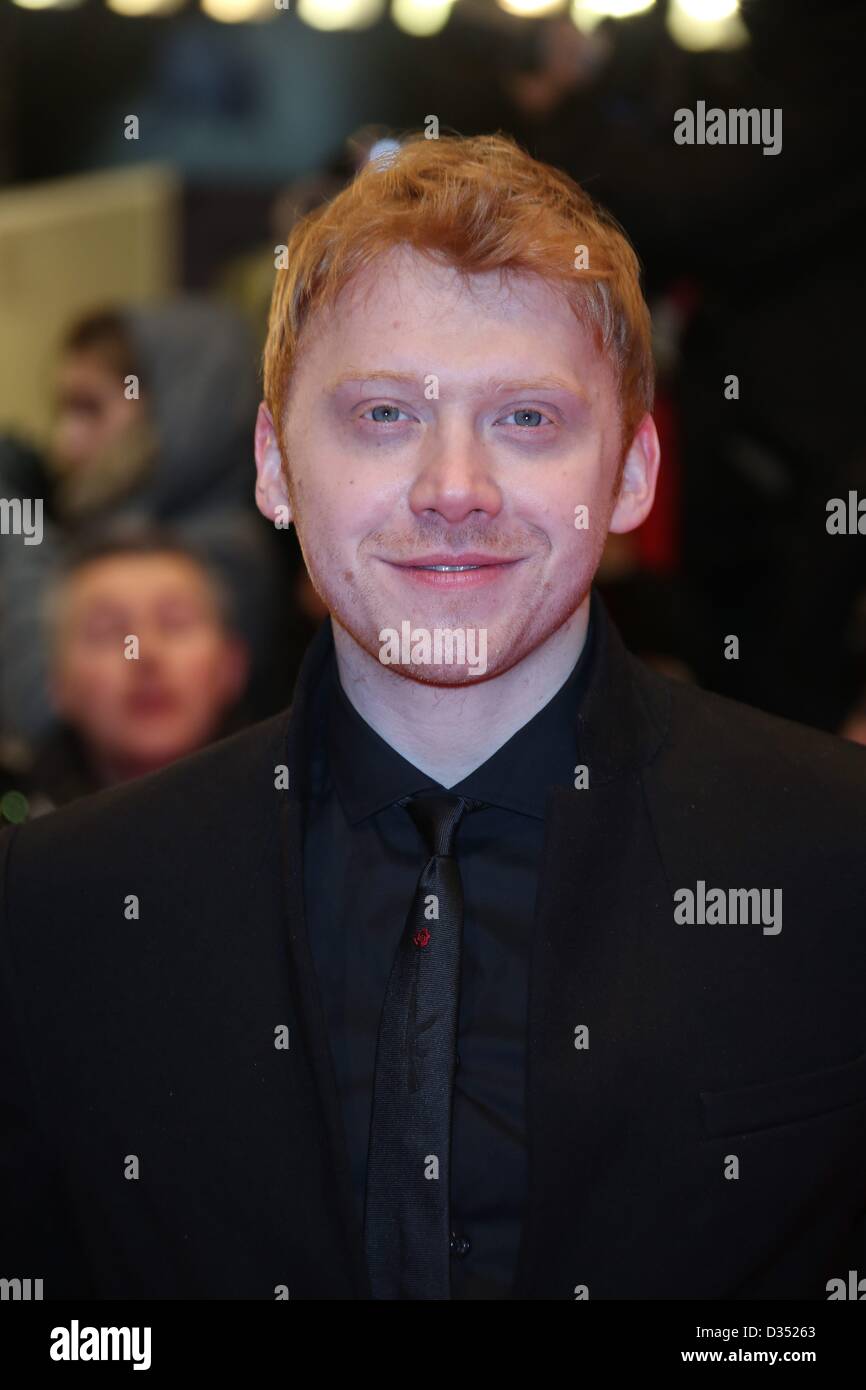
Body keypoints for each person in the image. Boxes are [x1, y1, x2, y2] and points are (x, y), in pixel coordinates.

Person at [1, 133, 865, 1302]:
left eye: (523, 418)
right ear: (272, 463)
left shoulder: (832, 865)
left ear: (631, 472)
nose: (450, 488)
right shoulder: (56, 912)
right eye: (380, 415)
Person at [0, 297, 285, 746]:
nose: (64, 443)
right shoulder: (99, 523)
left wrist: (13, 509)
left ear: (176, 414)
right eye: (62, 412)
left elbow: (39, 694)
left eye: (89, 408)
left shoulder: (226, 551)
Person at [1, 533, 249, 820]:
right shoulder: (18, 843)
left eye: (175, 623)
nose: (144, 653)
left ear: (232, 665)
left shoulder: (294, 814)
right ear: (58, 683)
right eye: (107, 630)